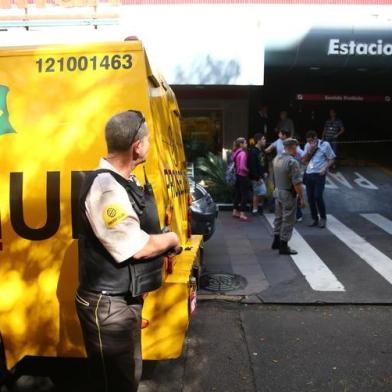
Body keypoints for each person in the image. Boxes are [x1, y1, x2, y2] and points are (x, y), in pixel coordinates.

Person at [75, 111, 181, 392]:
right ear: (137, 145)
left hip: (123, 300)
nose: (149, 145)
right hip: (108, 305)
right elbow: (136, 247)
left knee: (128, 377)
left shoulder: (126, 181)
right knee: (116, 383)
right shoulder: (106, 189)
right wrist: (170, 239)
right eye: (147, 140)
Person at [271, 138, 305, 255]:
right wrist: (302, 197)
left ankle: (275, 240)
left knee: (278, 217)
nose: (297, 149)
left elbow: (273, 178)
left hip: (277, 191)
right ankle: (283, 245)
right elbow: (297, 183)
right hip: (288, 193)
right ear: (292, 147)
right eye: (296, 147)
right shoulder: (292, 162)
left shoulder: (276, 159)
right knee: (288, 219)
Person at [303, 130, 336, 228]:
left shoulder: (325, 145)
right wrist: (311, 150)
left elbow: (332, 158)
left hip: (319, 175)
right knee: (310, 198)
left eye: (311, 141)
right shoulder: (307, 146)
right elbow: (304, 159)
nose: (309, 143)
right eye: (308, 141)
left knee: (318, 196)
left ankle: (323, 218)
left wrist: (325, 168)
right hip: (309, 174)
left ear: (316, 138)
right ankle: (314, 218)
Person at [247, 133, 268, 215]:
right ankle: (255, 209)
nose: (265, 140)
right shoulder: (253, 152)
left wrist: (266, 171)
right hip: (256, 177)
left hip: (263, 175)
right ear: (258, 141)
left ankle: (259, 207)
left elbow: (265, 162)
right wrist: (257, 177)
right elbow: (251, 166)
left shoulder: (262, 151)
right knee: (260, 192)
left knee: (260, 192)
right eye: (263, 139)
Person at [232, 137, 250, 221]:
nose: (246, 144)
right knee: (244, 195)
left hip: (237, 176)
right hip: (243, 176)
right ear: (241, 144)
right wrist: (248, 170)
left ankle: (235, 211)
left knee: (237, 194)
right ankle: (242, 213)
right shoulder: (242, 153)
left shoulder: (235, 152)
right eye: (245, 143)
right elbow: (242, 167)